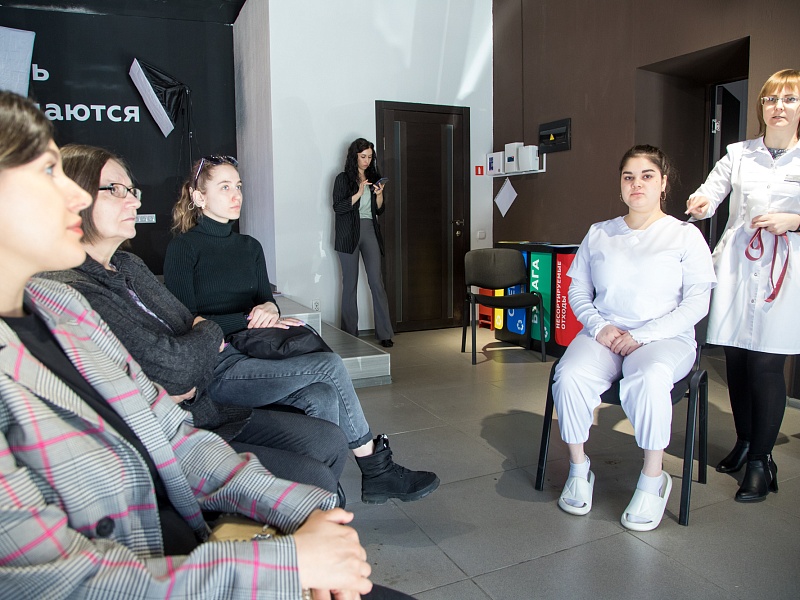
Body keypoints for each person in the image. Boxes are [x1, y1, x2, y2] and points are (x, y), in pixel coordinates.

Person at [0, 89, 428, 599]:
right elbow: (176, 362)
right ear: (199, 197)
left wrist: (309, 524)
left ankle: (345, 489)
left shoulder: (63, 305)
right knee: (327, 373)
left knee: (322, 413)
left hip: (212, 404)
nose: (73, 197)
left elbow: (171, 428)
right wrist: (288, 563)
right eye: (49, 174)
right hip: (184, 531)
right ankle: (373, 469)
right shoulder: (88, 287)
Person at [41, 143, 349, 499]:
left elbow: (189, 336)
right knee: (318, 453)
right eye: (116, 190)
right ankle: (362, 473)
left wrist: (213, 333)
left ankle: (330, 501)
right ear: (72, 197)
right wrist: (207, 338)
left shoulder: (129, 265)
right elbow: (180, 363)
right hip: (173, 430)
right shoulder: (74, 287)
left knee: (330, 437)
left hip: (204, 402)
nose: (135, 202)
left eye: (132, 190)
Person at [163, 154, 439, 505]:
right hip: (218, 367)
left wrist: (269, 309)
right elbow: (186, 322)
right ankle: (376, 469)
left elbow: (267, 303)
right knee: (330, 365)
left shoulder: (250, 247)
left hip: (257, 350)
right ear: (199, 196)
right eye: (225, 187)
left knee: (323, 395)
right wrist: (249, 318)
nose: (236, 195)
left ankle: (323, 490)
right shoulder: (183, 249)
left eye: (239, 186)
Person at [552, 145, 716, 531]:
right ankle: (579, 468)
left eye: (647, 176)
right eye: (629, 177)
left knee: (649, 377)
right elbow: (578, 291)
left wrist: (645, 335)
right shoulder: (600, 233)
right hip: (607, 334)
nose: (636, 184)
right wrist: (599, 327)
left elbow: (697, 303)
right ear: (620, 185)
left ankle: (653, 478)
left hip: (664, 337)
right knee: (570, 375)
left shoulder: (685, 236)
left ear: (664, 183)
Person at [686, 69, 800, 503]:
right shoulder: (738, 153)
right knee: (736, 360)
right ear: (761, 107)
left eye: (789, 99)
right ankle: (745, 441)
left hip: (783, 271)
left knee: (766, 364)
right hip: (736, 265)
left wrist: (795, 220)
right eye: (771, 99)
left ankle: (761, 462)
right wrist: (700, 203)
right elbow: (710, 193)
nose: (778, 107)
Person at [332, 138, 394, 347]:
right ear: (354, 156)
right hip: (348, 234)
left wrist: (379, 194)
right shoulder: (342, 179)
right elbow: (338, 207)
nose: (367, 161)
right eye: (363, 156)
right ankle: (349, 333)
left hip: (369, 230)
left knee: (376, 282)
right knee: (350, 284)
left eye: (370, 157)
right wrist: (359, 192)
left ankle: (385, 333)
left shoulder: (374, 178)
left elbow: (379, 210)